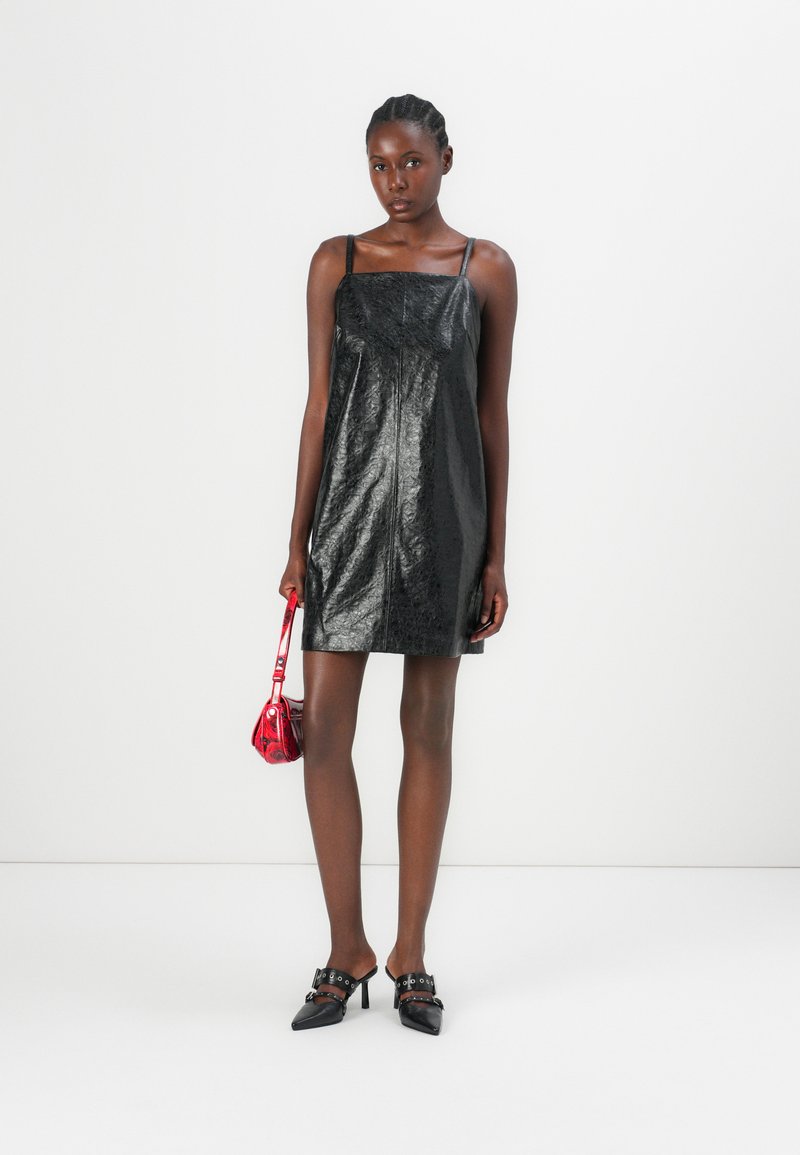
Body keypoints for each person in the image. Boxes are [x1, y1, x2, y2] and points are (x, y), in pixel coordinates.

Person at [279, 93, 516, 1035]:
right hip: (344, 521)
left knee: (429, 732)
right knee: (326, 733)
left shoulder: (485, 268)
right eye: (379, 164)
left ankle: (411, 954)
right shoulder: (334, 262)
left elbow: (492, 415)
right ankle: (348, 949)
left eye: (411, 162)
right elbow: (317, 407)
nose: (395, 181)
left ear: (446, 158)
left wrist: (496, 551)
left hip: (444, 524)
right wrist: (296, 539)